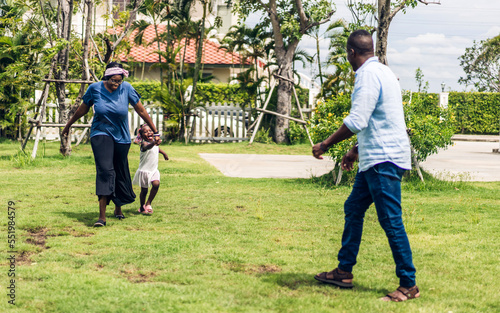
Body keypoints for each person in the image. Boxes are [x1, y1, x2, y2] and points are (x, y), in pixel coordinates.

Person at [312, 30, 419, 302]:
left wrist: (325, 144)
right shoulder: (384, 72)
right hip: (377, 157)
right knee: (354, 207)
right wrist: (355, 150)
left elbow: (358, 119)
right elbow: (382, 119)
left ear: (351, 52)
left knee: (391, 221)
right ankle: (343, 272)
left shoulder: (367, 76)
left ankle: (408, 284)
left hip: (383, 161)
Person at [62, 62, 160, 227]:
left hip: (121, 137)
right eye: (113, 80)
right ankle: (102, 217)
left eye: (119, 81)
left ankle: (118, 208)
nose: (116, 84)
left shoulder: (127, 88)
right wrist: (68, 124)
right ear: (106, 77)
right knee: (105, 171)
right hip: (100, 134)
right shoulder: (95, 89)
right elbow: (83, 109)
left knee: (119, 171)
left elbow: (141, 110)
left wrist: (155, 131)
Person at [132, 124, 169, 214]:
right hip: (145, 171)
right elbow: (147, 147)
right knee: (144, 191)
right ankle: (141, 207)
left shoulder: (154, 143)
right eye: (145, 131)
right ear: (141, 135)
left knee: (156, 184)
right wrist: (154, 143)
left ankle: (148, 203)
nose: (149, 132)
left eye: (150, 131)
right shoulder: (144, 144)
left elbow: (157, 148)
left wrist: (164, 153)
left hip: (153, 170)